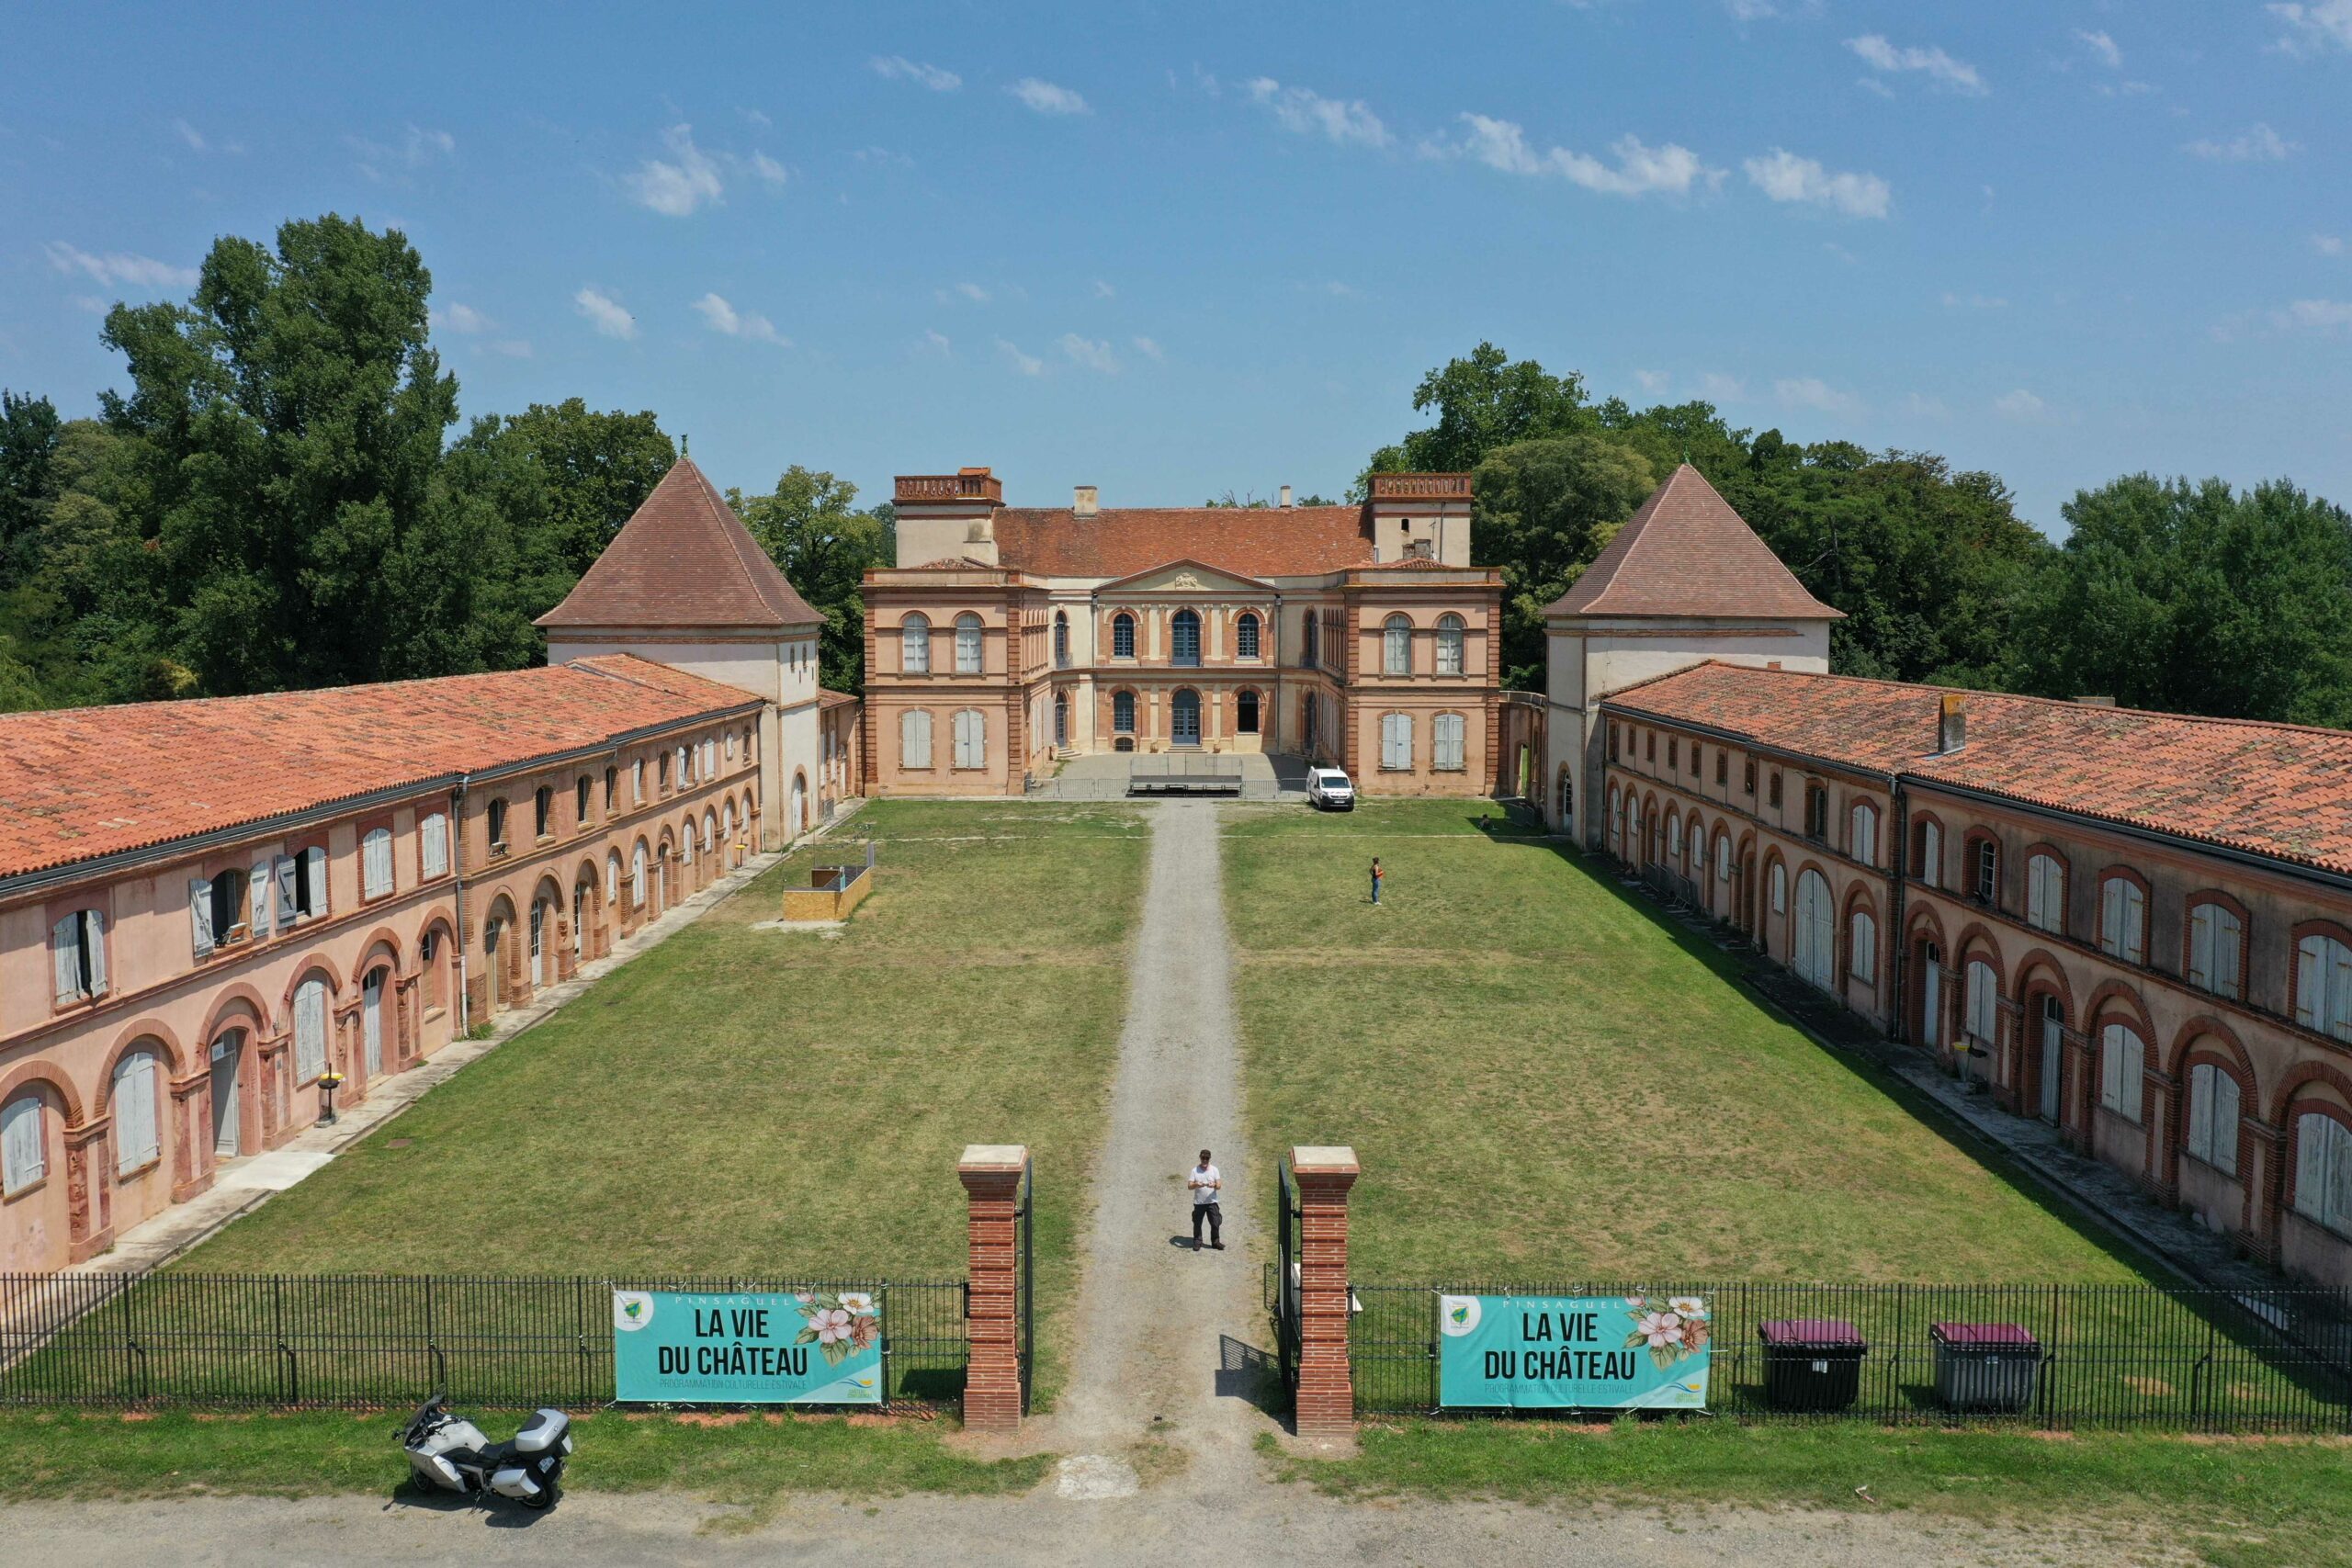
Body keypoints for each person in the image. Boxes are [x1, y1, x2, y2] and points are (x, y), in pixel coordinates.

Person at [1188, 1149, 1223, 1250]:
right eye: (1203, 1158)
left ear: (1209, 1159)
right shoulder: (1194, 1170)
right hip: (1199, 1203)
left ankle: (1215, 1242)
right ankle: (1197, 1242)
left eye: (1206, 1158)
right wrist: (1196, 1184)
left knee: (1216, 1222)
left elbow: (1219, 1185)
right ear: (1200, 1158)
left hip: (1212, 1202)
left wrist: (1214, 1185)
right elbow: (1189, 1186)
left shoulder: (1214, 1170)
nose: (1204, 1160)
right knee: (1197, 1223)